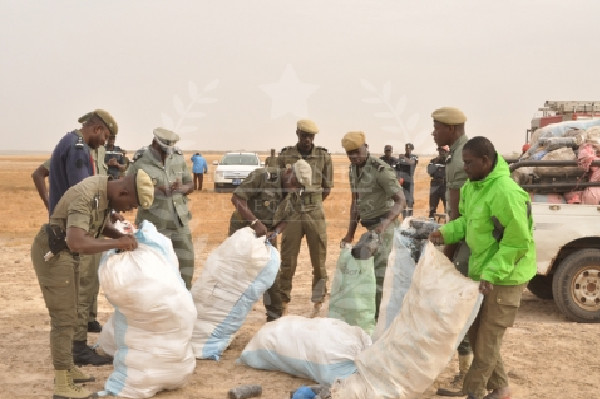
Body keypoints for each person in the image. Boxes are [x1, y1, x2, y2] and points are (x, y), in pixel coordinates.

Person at [31, 169, 154, 399]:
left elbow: (94, 226)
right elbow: (76, 241)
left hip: (67, 256)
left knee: (73, 312)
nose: (128, 210)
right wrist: (114, 243)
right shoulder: (88, 195)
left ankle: (68, 368)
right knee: (63, 318)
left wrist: (119, 237)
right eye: (130, 204)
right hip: (54, 255)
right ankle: (62, 384)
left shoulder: (105, 192)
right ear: (124, 191)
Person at [429, 136, 536, 399]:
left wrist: (492, 273)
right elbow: (466, 223)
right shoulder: (473, 187)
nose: (464, 167)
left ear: (486, 161)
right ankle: (501, 389)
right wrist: (443, 233)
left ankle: (474, 393)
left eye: (468, 163)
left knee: (487, 341)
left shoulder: (505, 192)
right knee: (478, 335)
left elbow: (517, 241)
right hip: (485, 271)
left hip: (507, 275)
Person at [49, 109, 118, 366]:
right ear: (97, 129)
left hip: (69, 227)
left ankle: (73, 345)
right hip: (76, 230)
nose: (104, 142)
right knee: (80, 290)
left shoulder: (71, 143)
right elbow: (84, 193)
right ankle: (78, 348)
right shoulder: (78, 149)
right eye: (105, 136)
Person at [229, 159, 312, 322]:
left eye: (299, 187)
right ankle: (227, 322)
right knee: (237, 277)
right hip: (244, 230)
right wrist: (255, 223)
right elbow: (237, 198)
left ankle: (274, 322)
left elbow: (287, 219)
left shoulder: (295, 192)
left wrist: (275, 232)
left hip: (267, 235)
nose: (295, 188)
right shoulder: (263, 176)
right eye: (295, 183)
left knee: (273, 277)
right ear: (289, 172)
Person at [430, 106, 473, 396]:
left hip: (465, 243)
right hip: (468, 239)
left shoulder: (459, 159)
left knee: (462, 308)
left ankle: (467, 375)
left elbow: (457, 214)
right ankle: (467, 371)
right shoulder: (460, 152)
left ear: (452, 129)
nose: (433, 132)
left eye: (437, 127)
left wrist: (448, 251)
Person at [340, 131, 405, 319]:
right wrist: (349, 233)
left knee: (380, 275)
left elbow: (401, 201)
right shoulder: (353, 170)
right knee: (367, 273)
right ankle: (374, 315)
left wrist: (383, 226)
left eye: (357, 152)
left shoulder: (380, 170)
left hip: (385, 227)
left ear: (366, 147)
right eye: (349, 153)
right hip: (370, 229)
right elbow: (356, 201)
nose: (353, 157)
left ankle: (380, 319)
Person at [277, 119, 333, 317]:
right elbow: (279, 183)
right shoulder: (286, 155)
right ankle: (283, 301)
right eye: (304, 136)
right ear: (297, 134)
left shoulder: (323, 156)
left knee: (319, 259)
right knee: (287, 259)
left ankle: (318, 302)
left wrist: (312, 198)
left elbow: (327, 187)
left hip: (314, 210)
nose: (307, 140)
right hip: (292, 211)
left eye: (311, 136)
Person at [128, 128, 195, 289]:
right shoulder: (140, 161)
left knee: (186, 263)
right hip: (153, 224)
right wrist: (156, 190)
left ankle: (184, 299)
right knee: (154, 268)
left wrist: (181, 189)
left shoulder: (177, 158)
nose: (166, 155)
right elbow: (128, 189)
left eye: (168, 151)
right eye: (163, 151)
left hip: (179, 221)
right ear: (154, 144)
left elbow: (190, 184)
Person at [395, 143, 418, 217]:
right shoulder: (400, 158)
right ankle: (404, 217)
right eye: (406, 148)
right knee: (402, 198)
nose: (408, 150)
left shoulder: (414, 157)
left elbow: (412, 163)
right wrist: (398, 177)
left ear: (411, 149)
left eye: (409, 148)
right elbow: (396, 169)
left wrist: (404, 158)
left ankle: (410, 216)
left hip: (410, 180)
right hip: (402, 181)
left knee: (410, 199)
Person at [427, 145, 449, 219]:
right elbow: (430, 171)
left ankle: (448, 224)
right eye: (440, 151)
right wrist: (436, 162)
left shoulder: (449, 162)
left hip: (445, 185)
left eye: (443, 151)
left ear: (447, 152)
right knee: (432, 207)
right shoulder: (433, 161)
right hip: (435, 185)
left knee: (447, 207)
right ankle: (431, 222)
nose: (441, 153)